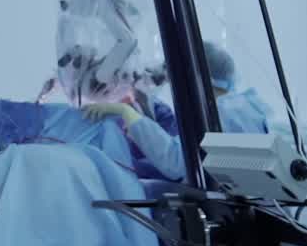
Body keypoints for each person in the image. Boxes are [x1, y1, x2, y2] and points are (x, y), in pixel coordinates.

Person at [83, 41, 272, 181]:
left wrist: (127, 112)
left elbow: (176, 162)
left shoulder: (223, 112)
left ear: (196, 77)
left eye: (177, 82)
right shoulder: (241, 106)